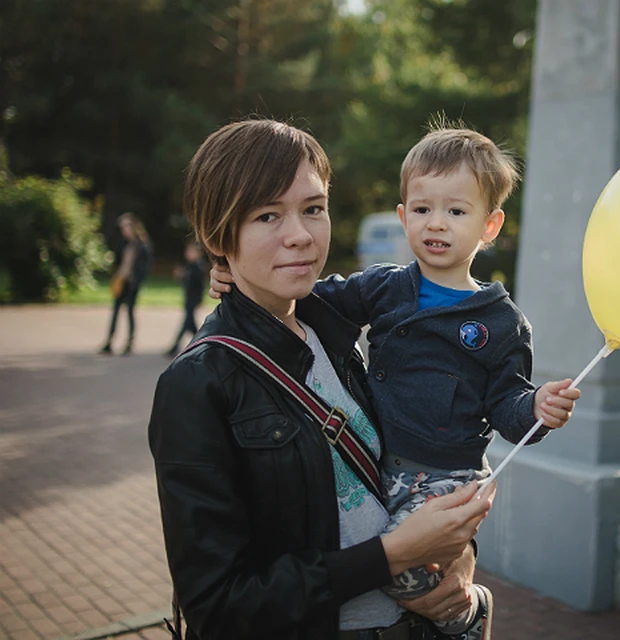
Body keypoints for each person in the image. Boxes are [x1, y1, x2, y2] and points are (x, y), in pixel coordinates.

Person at [211, 125, 581, 638]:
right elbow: (311, 296)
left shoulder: (500, 322)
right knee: (383, 561)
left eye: (457, 211)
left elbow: (506, 405)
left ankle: (465, 619)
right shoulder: (386, 287)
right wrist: (237, 276)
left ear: (489, 226)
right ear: (404, 216)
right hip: (382, 467)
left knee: (403, 576)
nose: (437, 224)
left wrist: (537, 407)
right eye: (423, 209)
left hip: (445, 473)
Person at [149, 118, 495, 640]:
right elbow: (218, 608)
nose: (301, 236)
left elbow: (432, 455)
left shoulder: (341, 334)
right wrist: (393, 555)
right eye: (268, 215)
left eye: (313, 209)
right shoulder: (199, 384)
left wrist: (459, 555)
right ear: (219, 233)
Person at [100, 212, 152, 355]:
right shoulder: (122, 243)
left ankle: (129, 342)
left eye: (126, 227)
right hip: (121, 281)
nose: (124, 230)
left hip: (132, 284)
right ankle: (109, 342)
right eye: (122, 228)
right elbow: (116, 262)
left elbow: (145, 267)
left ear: (133, 227)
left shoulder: (142, 245)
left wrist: (137, 280)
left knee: (129, 312)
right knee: (115, 311)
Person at [166, 241, 207, 356]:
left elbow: (200, 285)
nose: (188, 254)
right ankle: (200, 344)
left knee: (186, 324)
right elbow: (184, 281)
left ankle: (175, 347)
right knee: (190, 325)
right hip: (188, 298)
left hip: (193, 299)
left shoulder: (198, 267)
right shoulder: (189, 266)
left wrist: (200, 299)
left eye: (191, 252)